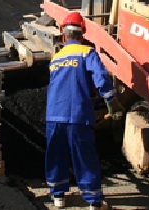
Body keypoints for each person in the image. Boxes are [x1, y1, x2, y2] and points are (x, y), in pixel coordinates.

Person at [45, 11, 123, 210]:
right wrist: (112, 102)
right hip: (78, 115)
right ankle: (93, 201)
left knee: (56, 155)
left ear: (64, 34)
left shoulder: (56, 58)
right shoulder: (87, 53)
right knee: (84, 156)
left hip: (54, 116)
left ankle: (58, 197)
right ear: (83, 34)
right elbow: (101, 78)